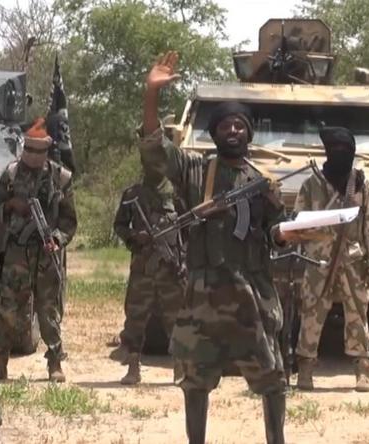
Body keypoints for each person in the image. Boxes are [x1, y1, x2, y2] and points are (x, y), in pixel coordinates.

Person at [140, 51, 288, 444]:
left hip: (251, 295)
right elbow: (155, 150)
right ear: (215, 133)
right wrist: (150, 95)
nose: (233, 131)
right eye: (225, 125)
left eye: (240, 125)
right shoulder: (194, 170)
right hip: (203, 294)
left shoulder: (264, 181)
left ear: (249, 133)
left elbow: (275, 229)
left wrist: (287, 234)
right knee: (195, 380)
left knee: (272, 380)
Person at [289, 126, 369, 392]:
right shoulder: (311, 185)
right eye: (335, 150)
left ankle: (362, 369)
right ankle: (305, 368)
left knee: (358, 315)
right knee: (311, 313)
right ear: (327, 152)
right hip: (318, 260)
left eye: (345, 150)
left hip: (353, 260)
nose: (340, 154)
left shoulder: (361, 186)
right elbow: (298, 222)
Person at [0, 118, 77, 383]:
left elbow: (69, 221)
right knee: (8, 308)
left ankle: (54, 363)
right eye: (29, 150)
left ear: (47, 151)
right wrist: (12, 206)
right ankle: (0, 363)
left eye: (39, 151)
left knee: (48, 309)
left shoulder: (61, 178)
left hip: (46, 253)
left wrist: (57, 240)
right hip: (17, 251)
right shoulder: (11, 174)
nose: (33, 156)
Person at [111, 166, 186, 385]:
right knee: (136, 319)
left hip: (171, 268)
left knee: (176, 318)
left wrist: (184, 260)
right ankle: (133, 367)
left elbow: (189, 229)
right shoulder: (132, 195)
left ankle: (179, 367)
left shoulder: (178, 195)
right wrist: (135, 236)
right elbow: (120, 225)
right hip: (143, 267)